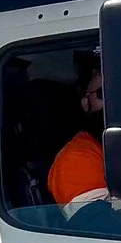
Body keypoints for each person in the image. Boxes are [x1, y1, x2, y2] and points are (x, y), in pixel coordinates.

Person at [46, 54, 109, 216]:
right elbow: (99, 226)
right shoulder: (76, 157)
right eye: (103, 92)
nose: (115, 100)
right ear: (85, 103)